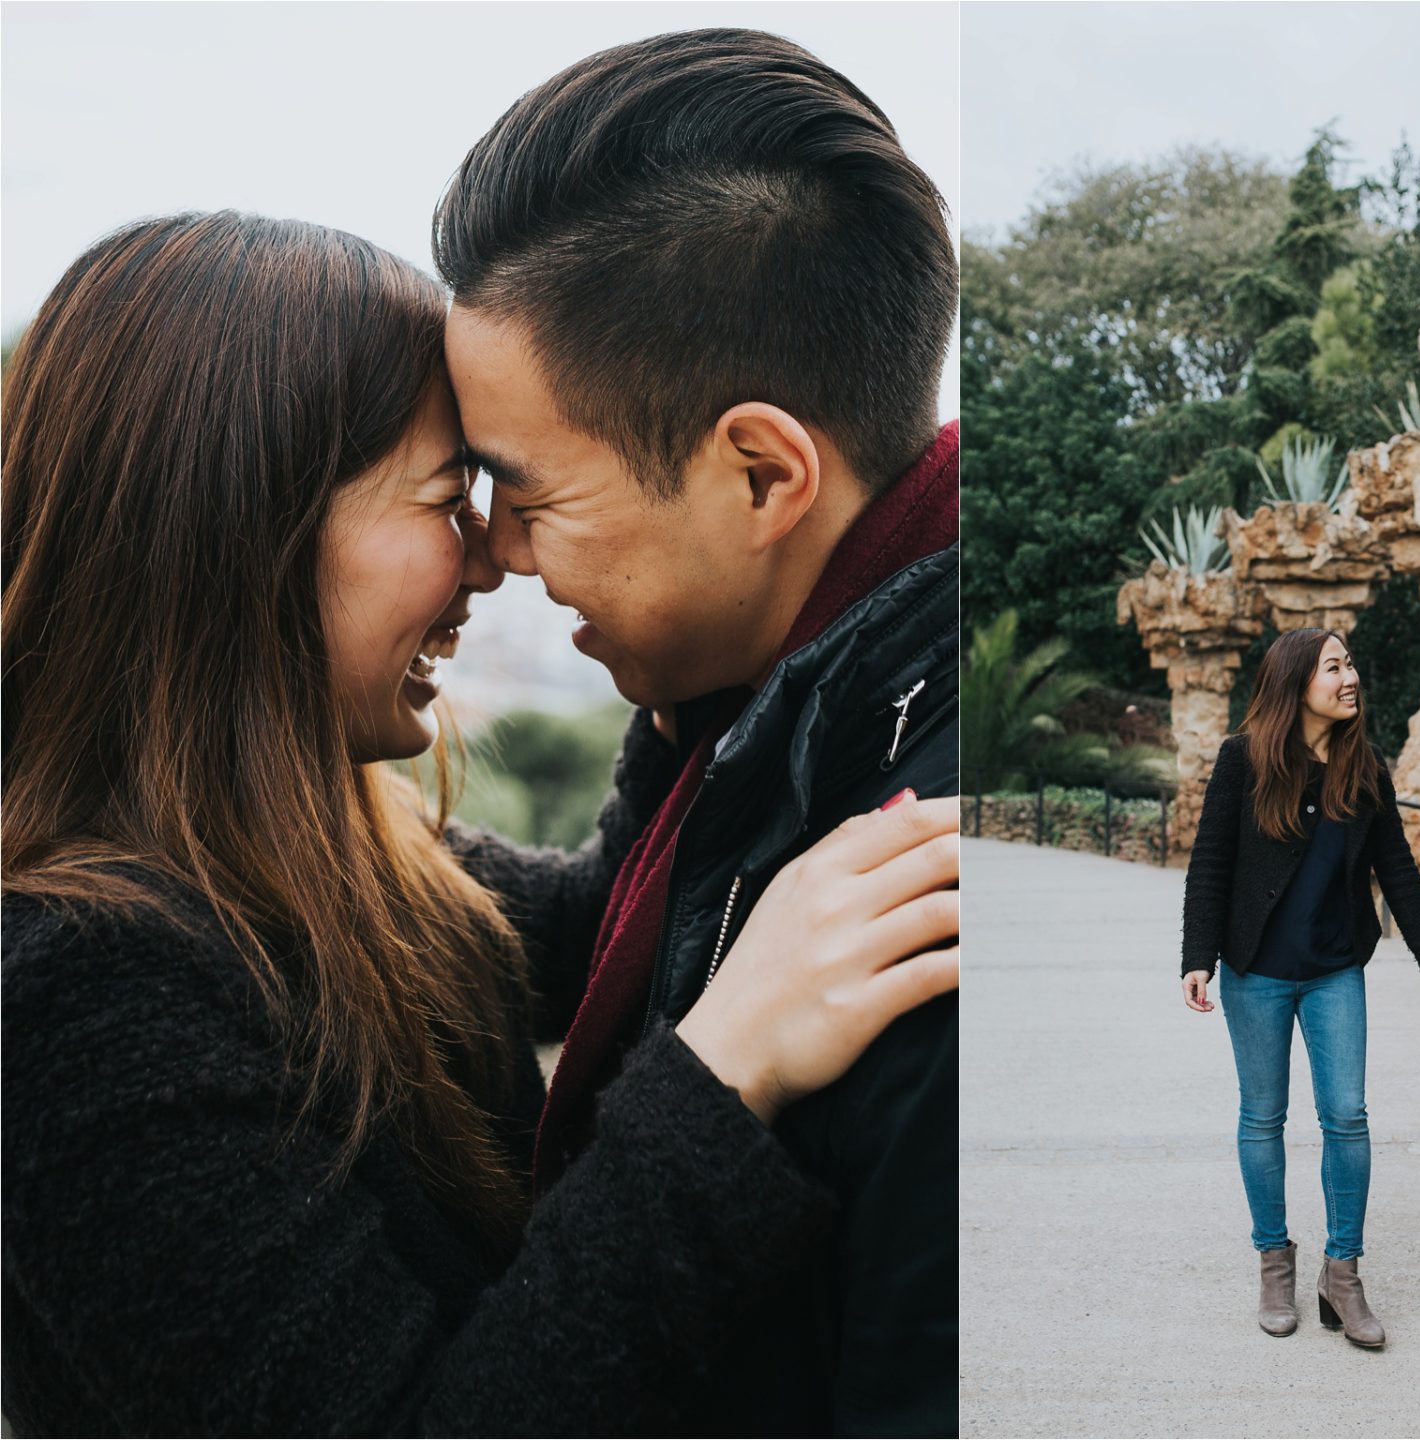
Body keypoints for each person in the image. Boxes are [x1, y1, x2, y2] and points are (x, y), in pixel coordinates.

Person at [0, 212, 959, 1437]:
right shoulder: (82, 989)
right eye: (448, 499)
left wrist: (694, 632)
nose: (488, 563)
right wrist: (726, 1074)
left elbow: (584, 924)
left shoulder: (320, 850)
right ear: (247, 536)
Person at [430, 29, 960, 1437]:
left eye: (526, 492)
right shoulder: (765, 701)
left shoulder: (926, 883)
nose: (495, 556)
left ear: (761, 473)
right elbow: (612, 920)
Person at [1181, 628, 1420, 1348]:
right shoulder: (1244, 760)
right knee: (1263, 1117)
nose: (1350, 676)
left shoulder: (1364, 767)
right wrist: (1196, 956)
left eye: (1351, 663)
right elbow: (1210, 862)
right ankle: (1275, 1265)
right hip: (1255, 972)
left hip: (1333, 972)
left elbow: (1397, 870)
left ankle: (1342, 1274)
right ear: (1298, 682)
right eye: (1335, 666)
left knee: (1347, 1116)